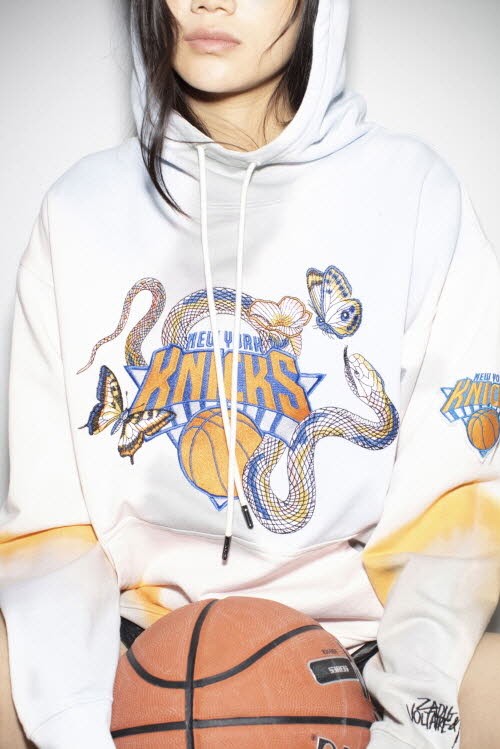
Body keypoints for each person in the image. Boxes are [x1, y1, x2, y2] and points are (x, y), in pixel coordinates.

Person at [1, 0, 499, 747]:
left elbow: (456, 507)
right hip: (138, 638)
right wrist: (78, 726)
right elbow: (52, 526)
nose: (211, 0)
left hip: (360, 647)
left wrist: (411, 724)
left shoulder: (414, 192)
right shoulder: (79, 210)